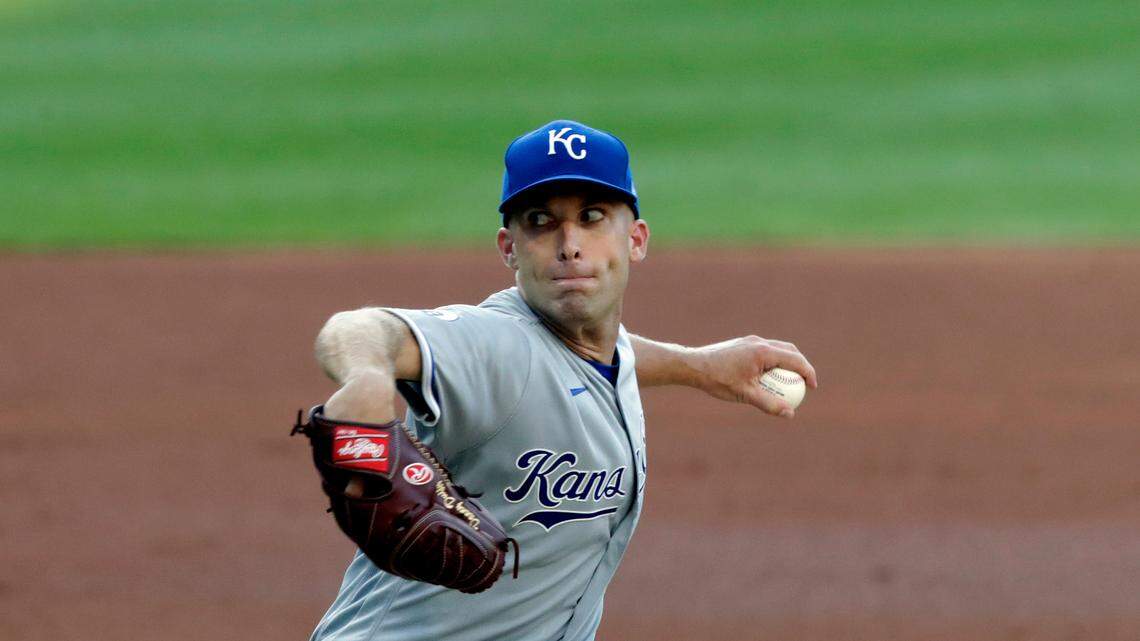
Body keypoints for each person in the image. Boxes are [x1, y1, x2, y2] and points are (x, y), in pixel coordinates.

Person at [307, 119, 818, 641]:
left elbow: (604, 359)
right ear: (509, 248)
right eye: (540, 221)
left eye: (592, 217)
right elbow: (359, 330)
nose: (569, 244)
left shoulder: (594, 349)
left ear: (636, 239)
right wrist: (368, 375)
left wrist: (701, 366)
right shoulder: (499, 347)